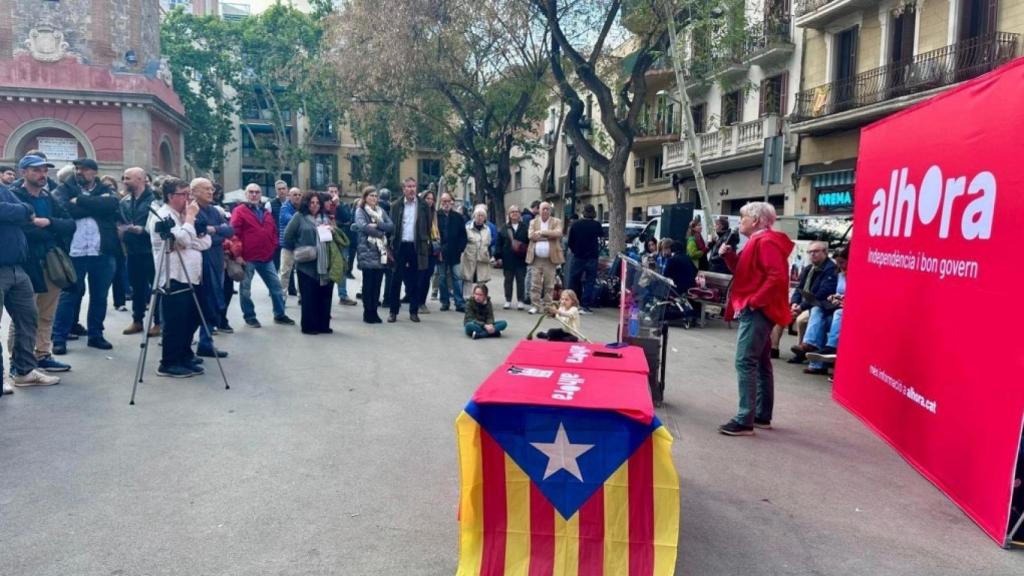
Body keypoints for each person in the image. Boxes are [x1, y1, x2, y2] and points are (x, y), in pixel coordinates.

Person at [716, 201, 793, 436]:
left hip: (757, 309)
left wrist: (754, 301)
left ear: (756, 220)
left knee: (745, 361)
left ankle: (745, 418)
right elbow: (748, 270)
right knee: (759, 362)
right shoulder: (761, 241)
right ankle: (759, 415)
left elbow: (776, 276)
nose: (740, 221)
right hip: (760, 308)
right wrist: (729, 256)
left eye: (743, 217)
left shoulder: (764, 241)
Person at [7, 155, 75, 374]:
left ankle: (42, 354)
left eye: (45, 170)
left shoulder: (48, 197)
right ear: (24, 172)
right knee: (24, 315)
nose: (42, 174)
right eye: (37, 170)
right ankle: (18, 360)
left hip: (50, 261)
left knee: (47, 312)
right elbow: (21, 229)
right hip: (27, 263)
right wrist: (50, 230)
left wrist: (49, 223)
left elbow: (70, 224)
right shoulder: (14, 195)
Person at [51, 158, 121, 353]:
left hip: (102, 251)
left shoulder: (105, 189)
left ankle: (96, 335)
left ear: (94, 172)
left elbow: (112, 205)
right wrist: (96, 207)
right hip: (74, 251)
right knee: (69, 294)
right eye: (77, 169)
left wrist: (81, 201)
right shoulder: (64, 189)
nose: (79, 172)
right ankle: (59, 338)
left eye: (84, 169)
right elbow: (64, 210)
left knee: (100, 296)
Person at [1, 173, 61, 390]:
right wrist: (20, 211)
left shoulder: (4, 189)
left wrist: (21, 211)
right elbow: (19, 211)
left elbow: (27, 210)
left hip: (17, 266)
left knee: (28, 318)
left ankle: (24, 370)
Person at [149, 177, 211, 378]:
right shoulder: (162, 215)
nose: (187, 199)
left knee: (191, 319)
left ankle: (184, 355)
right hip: (173, 275)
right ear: (170, 196)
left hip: (192, 275)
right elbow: (183, 238)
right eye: (183, 194)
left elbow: (204, 241)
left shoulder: (181, 215)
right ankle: (169, 362)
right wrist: (190, 221)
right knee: (175, 321)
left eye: (188, 194)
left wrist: (187, 234)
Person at [230, 183, 294, 328]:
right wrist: (237, 254)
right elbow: (234, 233)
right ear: (246, 194)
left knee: (276, 288)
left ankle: (279, 314)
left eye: (257, 192)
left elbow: (273, 231)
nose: (254, 195)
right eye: (251, 192)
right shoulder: (239, 211)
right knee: (245, 290)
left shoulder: (265, 212)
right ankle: (250, 316)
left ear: (260, 194)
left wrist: (273, 246)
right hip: (247, 258)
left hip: (266, 257)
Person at [778, 241, 838, 363]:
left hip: (819, 305)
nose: (812, 255)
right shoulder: (808, 268)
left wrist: (801, 307)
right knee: (779, 315)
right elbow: (799, 289)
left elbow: (822, 293)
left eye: (816, 251)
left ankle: (804, 349)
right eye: (810, 252)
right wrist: (794, 303)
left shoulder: (831, 269)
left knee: (801, 320)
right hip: (805, 304)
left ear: (825, 253)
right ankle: (772, 349)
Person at [284, 191, 335, 335]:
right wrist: (301, 247)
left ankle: (323, 325)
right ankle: (309, 326)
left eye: (317, 203)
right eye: (312, 202)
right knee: (308, 296)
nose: (315, 205)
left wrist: (332, 230)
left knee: (323, 295)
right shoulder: (299, 217)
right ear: (306, 203)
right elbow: (288, 235)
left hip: (324, 262)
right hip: (306, 264)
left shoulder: (325, 217)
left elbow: (333, 235)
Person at [192, 178, 231, 358]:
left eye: (211, 189)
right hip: (201, 263)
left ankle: (206, 342)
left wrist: (212, 231)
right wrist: (218, 231)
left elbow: (229, 231)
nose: (211, 192)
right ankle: (198, 342)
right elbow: (198, 238)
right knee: (203, 303)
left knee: (214, 301)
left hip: (216, 260)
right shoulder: (193, 211)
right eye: (206, 189)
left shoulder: (215, 210)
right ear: (195, 192)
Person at [119, 167, 157, 336]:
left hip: (151, 250)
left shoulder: (155, 200)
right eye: (124, 178)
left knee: (155, 287)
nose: (124, 181)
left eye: (128, 178)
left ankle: (158, 321)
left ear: (140, 179)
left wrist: (142, 230)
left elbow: (157, 225)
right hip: (133, 250)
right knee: (137, 287)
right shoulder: (125, 201)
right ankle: (137, 320)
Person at [387, 177, 431, 323]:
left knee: (415, 280)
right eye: (408, 186)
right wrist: (390, 246)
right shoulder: (396, 205)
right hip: (400, 246)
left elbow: (428, 226)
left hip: (416, 246)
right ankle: (393, 311)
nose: (412, 189)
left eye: (414, 186)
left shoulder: (424, 205)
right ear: (403, 189)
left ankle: (413, 311)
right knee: (396, 280)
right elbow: (391, 227)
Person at [802, 245, 849, 374]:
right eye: (838, 263)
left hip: (844, 312)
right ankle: (810, 345)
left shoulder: (856, 276)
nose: (841, 266)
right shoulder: (838, 275)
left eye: (843, 263)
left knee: (825, 319)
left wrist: (843, 300)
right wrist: (833, 297)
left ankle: (830, 347)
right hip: (835, 308)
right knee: (817, 311)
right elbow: (827, 291)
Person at [352, 186, 394, 324]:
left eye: (376, 196)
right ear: (365, 197)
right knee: (368, 284)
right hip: (367, 250)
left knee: (377, 284)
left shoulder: (380, 211)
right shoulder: (360, 210)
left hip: (380, 251)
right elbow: (363, 227)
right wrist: (381, 233)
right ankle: (367, 312)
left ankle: (374, 311)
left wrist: (378, 225)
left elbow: (391, 226)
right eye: (371, 196)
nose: (374, 198)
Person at [526, 201, 564, 314]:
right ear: (539, 210)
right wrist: (548, 236)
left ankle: (548, 306)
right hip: (536, 258)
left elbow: (558, 233)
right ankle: (535, 305)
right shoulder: (533, 222)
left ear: (550, 210)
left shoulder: (556, 221)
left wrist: (542, 232)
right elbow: (531, 235)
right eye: (543, 209)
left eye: (548, 209)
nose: (546, 211)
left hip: (550, 259)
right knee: (535, 283)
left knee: (549, 284)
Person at [567, 204, 602, 313]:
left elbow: (570, 242)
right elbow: (601, 240)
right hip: (592, 257)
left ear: (583, 212)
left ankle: (570, 303)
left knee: (573, 279)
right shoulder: (597, 225)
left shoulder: (575, 225)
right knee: (589, 282)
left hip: (578, 256)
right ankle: (585, 305)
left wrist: (575, 250)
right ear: (593, 213)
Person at [436, 192, 467, 312]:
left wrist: (460, 249)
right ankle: (444, 301)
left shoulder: (458, 217)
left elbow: (463, 236)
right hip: (441, 252)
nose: (446, 204)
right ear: (441, 202)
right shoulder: (436, 216)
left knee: (457, 278)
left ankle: (459, 302)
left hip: (455, 253)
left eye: (448, 201)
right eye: (444, 201)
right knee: (442, 278)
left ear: (452, 202)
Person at [329, 184, 358, 306]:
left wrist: (338, 205)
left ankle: (343, 295)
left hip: (340, 240)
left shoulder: (344, 205)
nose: (333, 193)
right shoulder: (322, 204)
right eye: (331, 191)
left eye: (335, 191)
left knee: (342, 268)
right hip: (327, 240)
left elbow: (347, 218)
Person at [498, 205, 529, 310]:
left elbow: (528, 243)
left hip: (521, 258)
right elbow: (499, 243)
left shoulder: (525, 227)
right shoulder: (504, 228)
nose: (515, 213)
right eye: (512, 212)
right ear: (509, 215)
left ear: (520, 214)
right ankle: (508, 300)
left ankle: (520, 300)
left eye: (516, 211)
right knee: (508, 280)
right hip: (508, 258)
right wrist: (498, 257)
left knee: (521, 280)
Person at [461, 205, 492, 298]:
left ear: (485, 218)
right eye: (478, 215)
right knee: (468, 279)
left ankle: (481, 298)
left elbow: (489, 243)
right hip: (469, 257)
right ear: (474, 216)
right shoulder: (467, 228)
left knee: (481, 280)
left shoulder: (487, 230)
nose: (479, 217)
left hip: (482, 258)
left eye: (482, 215)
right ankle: (467, 299)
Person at [417, 190, 439, 314]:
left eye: (432, 199)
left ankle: (422, 302)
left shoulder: (435, 214)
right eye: (427, 198)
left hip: (432, 249)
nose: (430, 201)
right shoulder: (419, 213)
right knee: (420, 276)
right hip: (421, 249)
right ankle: (417, 301)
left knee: (427, 276)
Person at [277, 187, 302, 298]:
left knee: (302, 273)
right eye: (294, 195)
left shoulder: (303, 207)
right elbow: (291, 220)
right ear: (289, 196)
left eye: (299, 195)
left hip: (301, 246)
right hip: (288, 246)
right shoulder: (284, 208)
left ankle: (302, 296)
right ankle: (282, 297)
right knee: (285, 273)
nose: (297, 197)